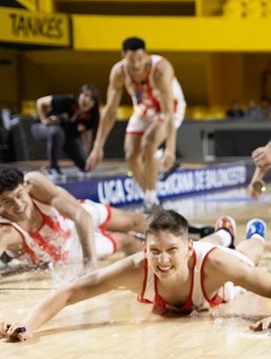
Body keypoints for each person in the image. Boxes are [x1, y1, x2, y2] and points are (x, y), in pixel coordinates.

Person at [0, 209, 271, 341]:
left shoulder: (215, 266)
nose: (162, 261)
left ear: (188, 248)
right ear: (145, 248)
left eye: (170, 251)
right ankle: (223, 232)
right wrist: (29, 325)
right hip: (197, 253)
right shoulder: (135, 268)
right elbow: (71, 291)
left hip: (218, 283)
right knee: (206, 248)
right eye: (154, 251)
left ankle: (251, 233)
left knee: (249, 254)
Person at [86, 37, 187, 212]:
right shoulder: (118, 72)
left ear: (146, 56)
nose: (136, 65)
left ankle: (156, 173)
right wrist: (98, 145)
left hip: (169, 108)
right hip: (144, 108)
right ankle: (150, 197)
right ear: (123, 57)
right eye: (132, 60)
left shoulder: (161, 69)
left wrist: (171, 149)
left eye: (140, 59)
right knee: (131, 155)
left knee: (148, 143)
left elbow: (168, 113)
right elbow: (110, 111)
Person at [0, 167, 146, 270]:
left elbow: (81, 216)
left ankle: (168, 231)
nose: (18, 205)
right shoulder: (5, 230)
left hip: (72, 217)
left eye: (19, 195)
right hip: (68, 249)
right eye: (8, 201)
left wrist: (90, 263)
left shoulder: (34, 183)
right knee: (126, 241)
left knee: (134, 221)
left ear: (25, 187)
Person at [31, 84, 100, 177]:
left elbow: (87, 134)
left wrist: (87, 155)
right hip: (42, 128)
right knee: (57, 132)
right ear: (79, 95)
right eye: (84, 95)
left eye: (90, 99)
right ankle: (53, 168)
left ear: (93, 103)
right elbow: (40, 102)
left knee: (86, 166)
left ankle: (82, 166)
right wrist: (44, 121)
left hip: (67, 136)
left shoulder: (93, 116)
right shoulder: (67, 101)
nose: (86, 100)